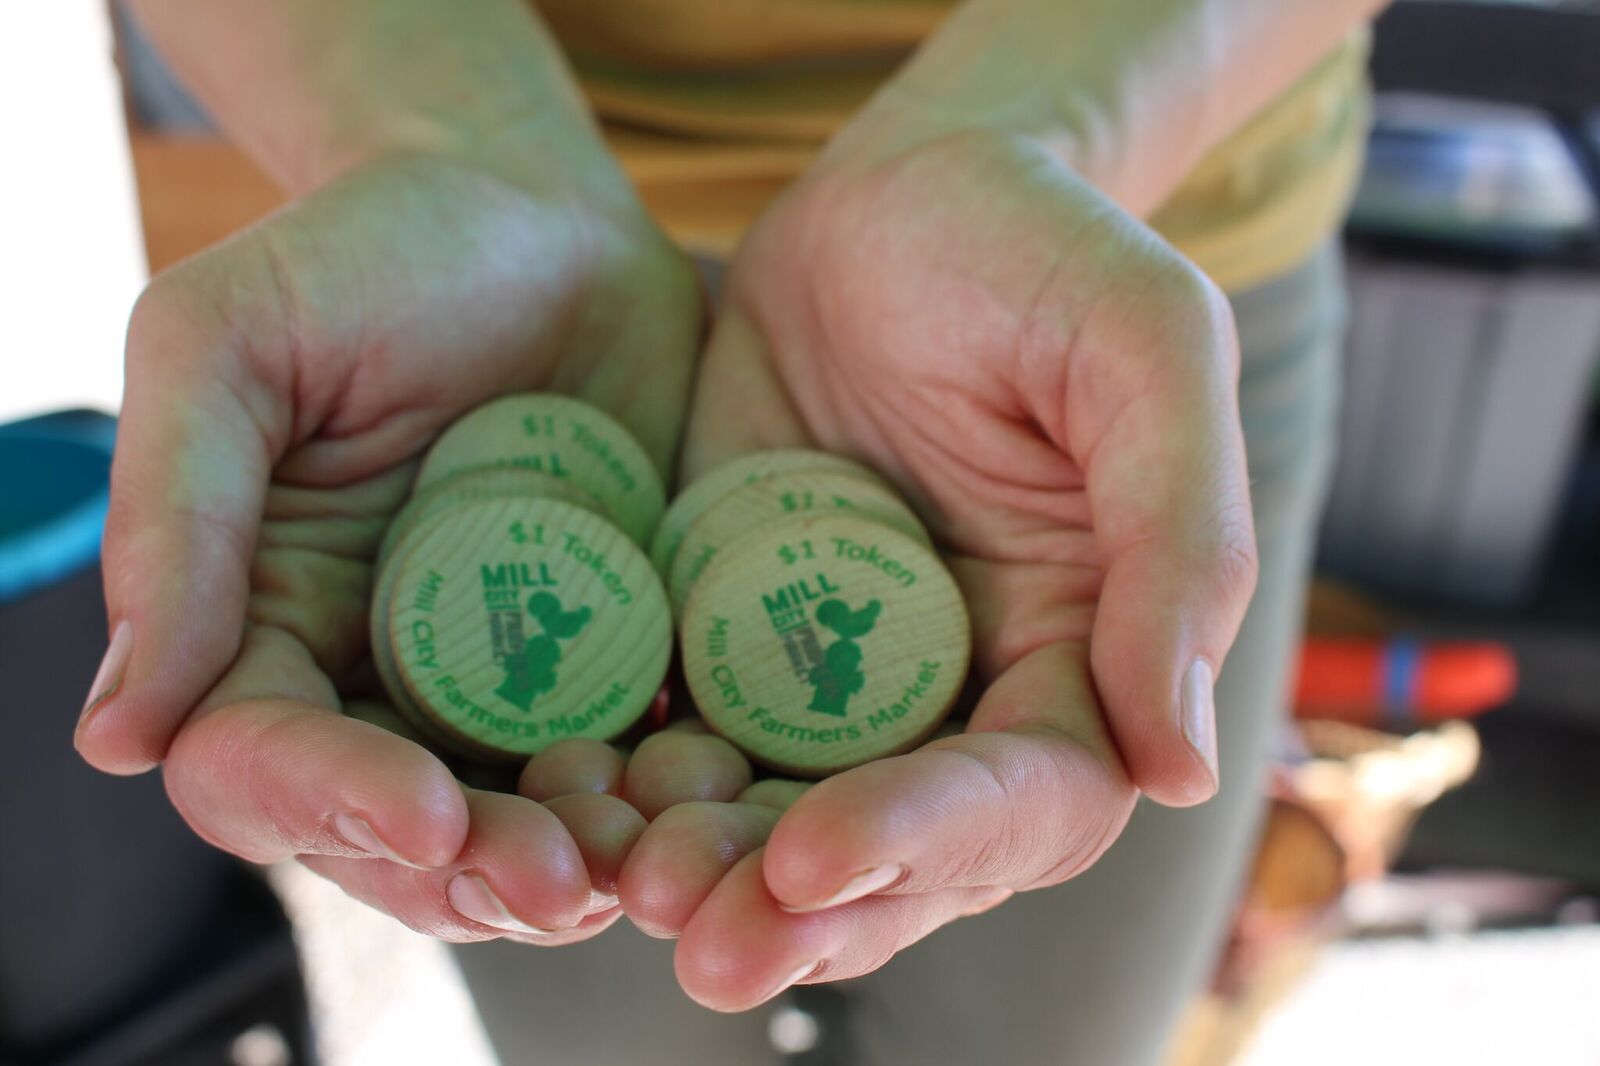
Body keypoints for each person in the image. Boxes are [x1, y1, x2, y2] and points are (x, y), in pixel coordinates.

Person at [75, 1, 1382, 1061]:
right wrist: (442, 132)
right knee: (586, 963)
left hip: (1095, 267)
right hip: (475, 285)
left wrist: (1020, 132)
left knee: (1057, 1032)